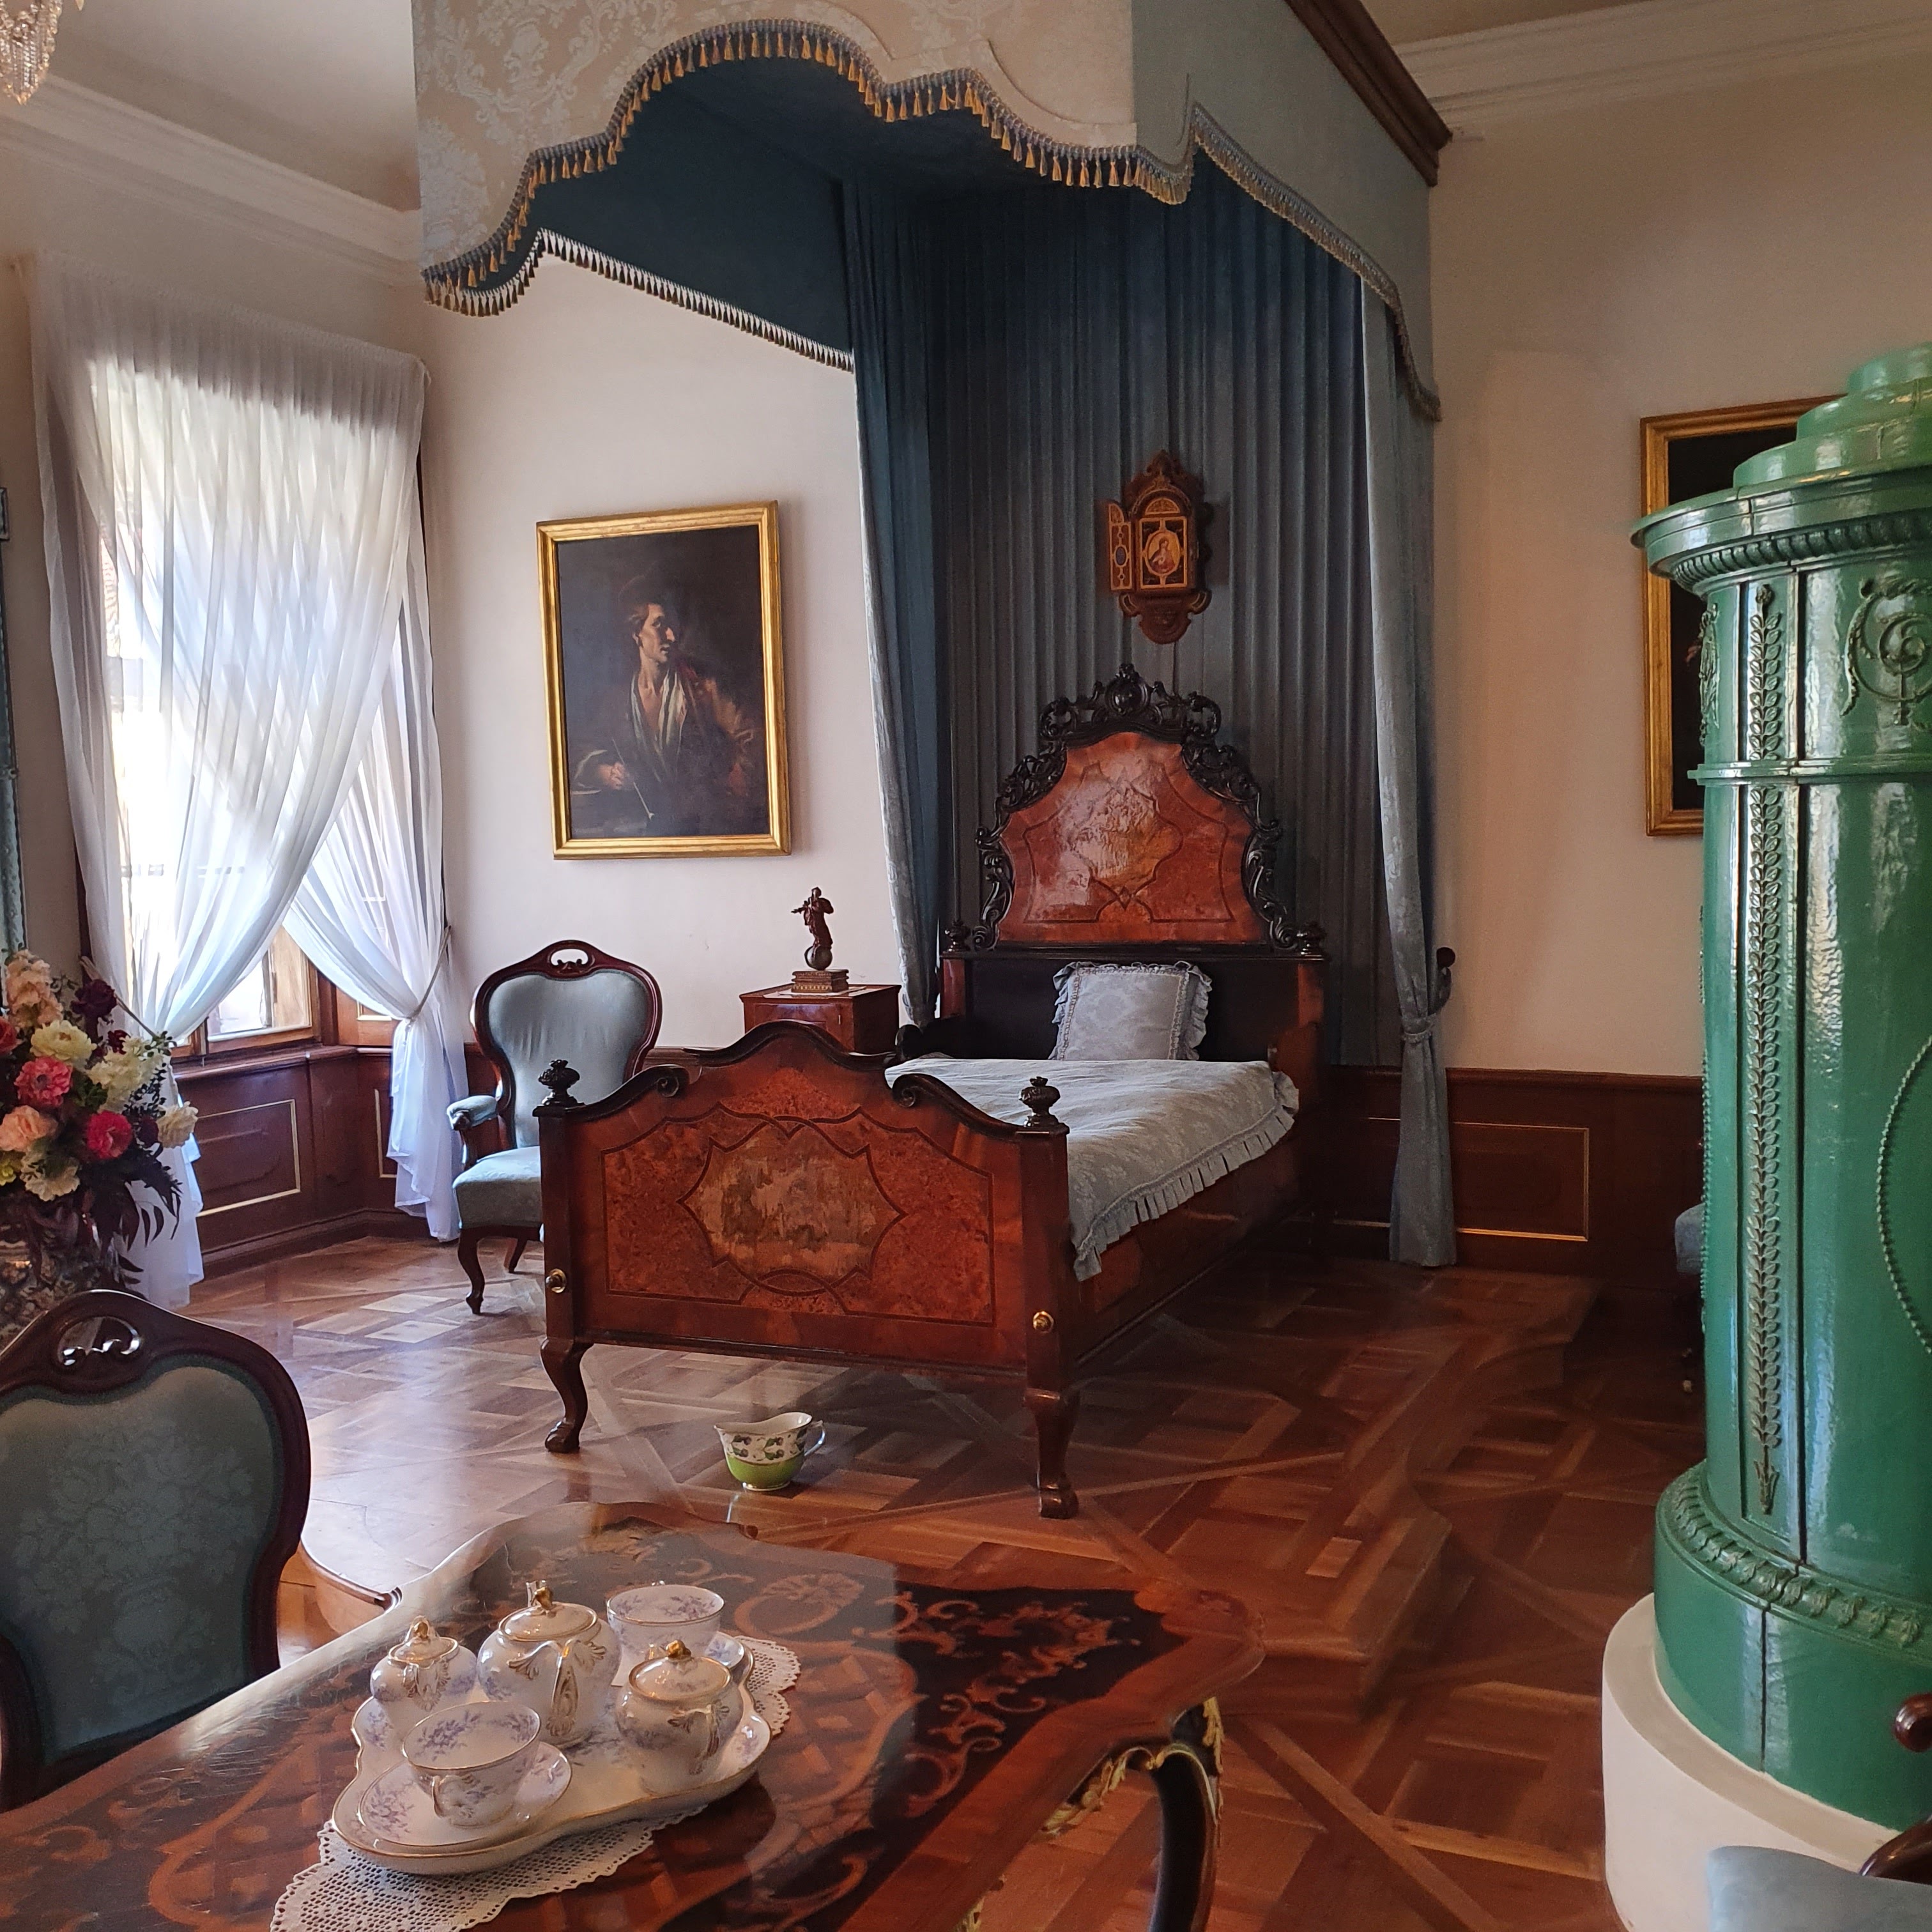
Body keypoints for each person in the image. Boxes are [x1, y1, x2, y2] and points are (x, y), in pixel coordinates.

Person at [570, 578, 763, 838]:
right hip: (645, 836)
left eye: (672, 624)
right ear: (636, 633)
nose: (671, 635)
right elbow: (577, 753)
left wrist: (730, 791)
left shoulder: (704, 687)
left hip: (708, 830)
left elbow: (753, 737)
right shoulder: (617, 702)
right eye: (659, 625)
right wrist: (605, 773)